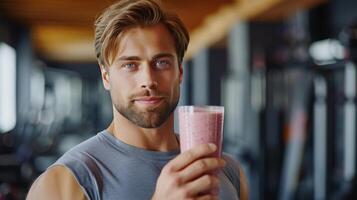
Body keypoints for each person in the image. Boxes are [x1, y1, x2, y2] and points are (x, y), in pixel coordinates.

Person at [26, 0, 249, 199]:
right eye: (130, 65)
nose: (148, 80)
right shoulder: (66, 181)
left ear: (179, 72)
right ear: (106, 77)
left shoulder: (228, 170)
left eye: (161, 62)